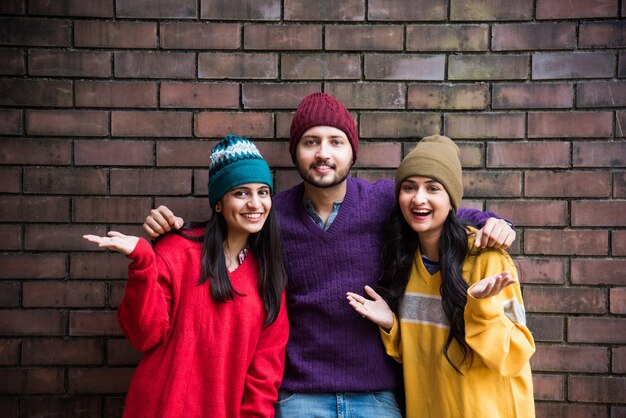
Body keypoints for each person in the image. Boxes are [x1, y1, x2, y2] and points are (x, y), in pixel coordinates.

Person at [143, 93, 516, 417]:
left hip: (376, 394)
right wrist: (173, 230)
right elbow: (225, 229)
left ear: (353, 150)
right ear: (296, 152)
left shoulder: (384, 200)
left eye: (336, 141)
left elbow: (441, 209)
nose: (323, 153)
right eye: (311, 142)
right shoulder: (273, 214)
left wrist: (493, 220)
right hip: (298, 396)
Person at [83, 135, 289, 418]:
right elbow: (144, 335)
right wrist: (143, 262)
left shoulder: (269, 279)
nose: (255, 203)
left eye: (263, 192)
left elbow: (264, 377)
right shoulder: (178, 250)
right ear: (218, 202)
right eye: (241, 193)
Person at [347, 135, 535, 418]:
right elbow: (419, 354)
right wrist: (391, 326)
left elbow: (515, 354)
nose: (418, 198)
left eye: (432, 188)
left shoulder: (489, 259)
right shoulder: (405, 264)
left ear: (451, 199)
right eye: (409, 187)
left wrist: (481, 310)